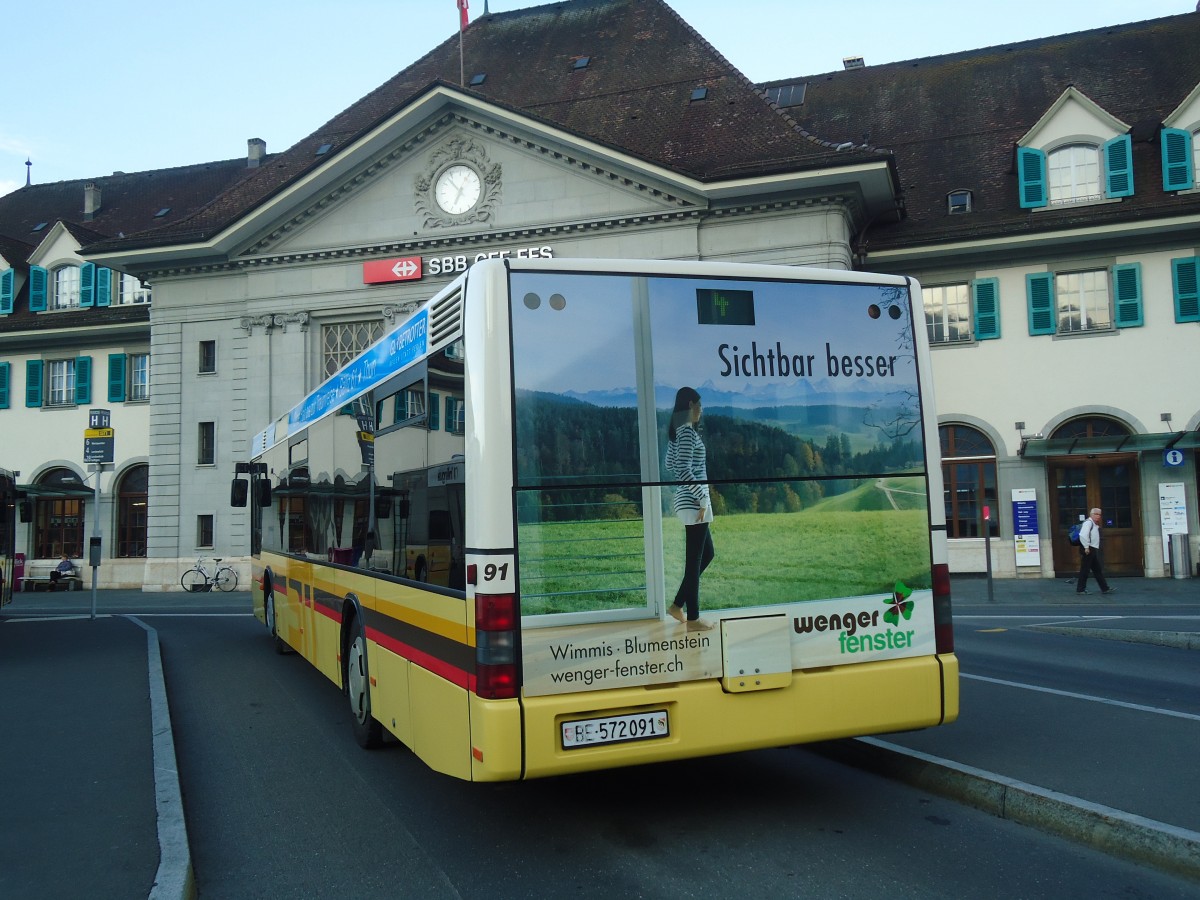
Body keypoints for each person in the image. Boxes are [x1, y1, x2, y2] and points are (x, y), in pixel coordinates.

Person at [665, 387, 714, 632]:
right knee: (694, 561)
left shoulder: (679, 432)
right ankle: (693, 619)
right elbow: (683, 470)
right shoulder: (686, 433)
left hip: (690, 502)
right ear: (690, 405)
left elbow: (670, 464)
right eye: (699, 405)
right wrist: (702, 498)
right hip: (695, 503)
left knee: (707, 554)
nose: (701, 410)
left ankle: (677, 605)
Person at [1076, 508, 1115, 595]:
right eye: (1096, 514)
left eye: (1099, 514)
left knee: (1097, 569)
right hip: (1088, 549)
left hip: (1091, 548)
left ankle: (1104, 588)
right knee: (1085, 570)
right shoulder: (1088, 523)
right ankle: (1080, 589)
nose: (1098, 516)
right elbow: (1083, 535)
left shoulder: (1093, 523)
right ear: (1091, 514)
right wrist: (1086, 547)